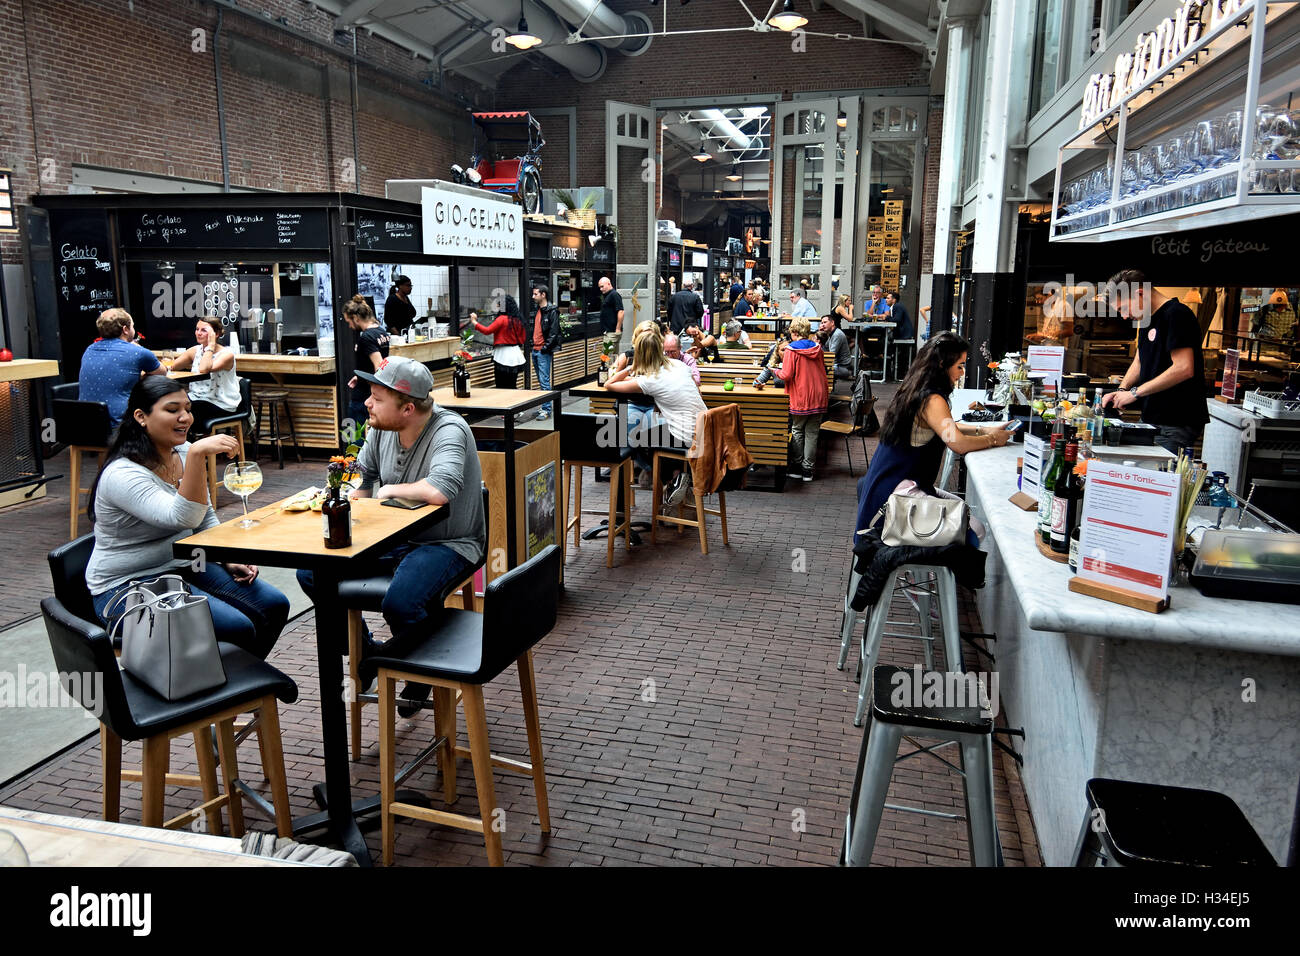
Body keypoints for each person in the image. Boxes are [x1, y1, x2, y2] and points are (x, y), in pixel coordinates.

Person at [297, 356, 486, 713]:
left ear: (408, 408)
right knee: (311, 573)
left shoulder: (449, 429)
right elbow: (362, 485)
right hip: (394, 537)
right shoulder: (378, 430)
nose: (367, 403)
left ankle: (417, 671)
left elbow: (441, 489)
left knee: (400, 602)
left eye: (377, 398)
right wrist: (341, 500)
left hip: (449, 541)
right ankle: (367, 653)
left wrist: (387, 491)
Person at [85, 376, 289, 659]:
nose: (185, 418)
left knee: (274, 604)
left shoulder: (181, 451)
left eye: (188, 409)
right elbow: (181, 518)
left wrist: (225, 556)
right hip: (128, 585)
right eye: (172, 410)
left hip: (185, 565)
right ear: (141, 417)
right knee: (236, 627)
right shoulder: (123, 474)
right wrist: (197, 454)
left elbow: (204, 514)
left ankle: (240, 687)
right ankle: (223, 694)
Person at [855, 332, 1013, 535]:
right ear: (941, 365)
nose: (962, 372)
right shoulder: (933, 400)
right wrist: (993, 439)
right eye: (959, 366)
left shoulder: (913, 388)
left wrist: (982, 429)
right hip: (898, 495)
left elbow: (942, 427)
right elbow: (959, 444)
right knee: (976, 530)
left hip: (886, 485)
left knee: (964, 511)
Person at [1100, 269, 1208, 455]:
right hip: (1152, 417)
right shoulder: (1147, 319)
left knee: (1153, 476)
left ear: (1139, 293)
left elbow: (1184, 368)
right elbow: (1140, 361)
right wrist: (1121, 390)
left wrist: (1135, 393)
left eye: (1123, 309)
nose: (1124, 317)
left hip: (1175, 421)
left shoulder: (1177, 315)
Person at [605, 321, 707, 507]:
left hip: (687, 439)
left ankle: (670, 478)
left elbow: (609, 384)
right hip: (706, 432)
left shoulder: (650, 380)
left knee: (633, 437)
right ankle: (677, 477)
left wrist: (631, 366)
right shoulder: (679, 365)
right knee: (651, 434)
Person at [78, 307, 165, 429]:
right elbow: (162, 373)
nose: (133, 329)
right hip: (120, 426)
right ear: (125, 329)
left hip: (84, 424)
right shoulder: (137, 352)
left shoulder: (89, 350)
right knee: (161, 414)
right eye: (132, 326)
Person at [767, 316, 829, 482]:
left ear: (794, 332)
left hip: (801, 395)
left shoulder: (791, 350)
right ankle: (808, 470)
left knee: (797, 429)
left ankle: (797, 466)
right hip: (819, 394)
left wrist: (774, 370)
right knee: (812, 432)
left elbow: (786, 375)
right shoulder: (817, 347)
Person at [166, 317, 241, 435]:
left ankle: (192, 448)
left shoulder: (227, 355)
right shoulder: (195, 350)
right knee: (171, 404)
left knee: (184, 410)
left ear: (215, 334)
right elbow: (172, 366)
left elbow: (204, 368)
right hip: (197, 398)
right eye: (197, 329)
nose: (198, 333)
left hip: (221, 402)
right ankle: (183, 446)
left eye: (204, 330)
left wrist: (210, 346)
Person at [341, 295, 390, 436]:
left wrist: (377, 392)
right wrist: (360, 375)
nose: (350, 326)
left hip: (364, 395)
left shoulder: (366, 337)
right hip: (368, 389)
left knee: (352, 435)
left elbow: (379, 365)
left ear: (356, 318)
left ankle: (351, 458)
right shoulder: (381, 332)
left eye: (349, 322)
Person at [471, 294, 527, 389]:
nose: (497, 306)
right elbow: (523, 338)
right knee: (512, 385)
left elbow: (487, 331)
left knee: (501, 386)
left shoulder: (502, 319)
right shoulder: (518, 319)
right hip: (516, 354)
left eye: (498, 304)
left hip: (503, 355)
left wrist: (474, 322)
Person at [530, 284, 562, 420]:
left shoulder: (552, 311)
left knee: (544, 381)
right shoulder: (539, 310)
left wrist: (545, 348)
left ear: (543, 295)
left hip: (543, 351)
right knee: (541, 380)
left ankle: (547, 410)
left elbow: (554, 332)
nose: (533, 296)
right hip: (535, 350)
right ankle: (544, 407)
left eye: (535, 294)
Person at [819, 314, 853, 381]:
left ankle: (826, 389)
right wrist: (820, 333)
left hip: (843, 367)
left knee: (817, 369)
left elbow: (831, 355)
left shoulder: (837, 334)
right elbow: (824, 348)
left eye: (825, 322)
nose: (823, 325)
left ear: (832, 323)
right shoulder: (830, 333)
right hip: (836, 364)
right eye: (822, 323)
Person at [597, 276, 625, 346]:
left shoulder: (614, 295)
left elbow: (621, 311)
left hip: (612, 332)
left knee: (606, 355)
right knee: (613, 355)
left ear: (609, 284)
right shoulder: (607, 295)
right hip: (608, 332)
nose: (601, 289)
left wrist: (617, 329)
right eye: (600, 287)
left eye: (602, 286)